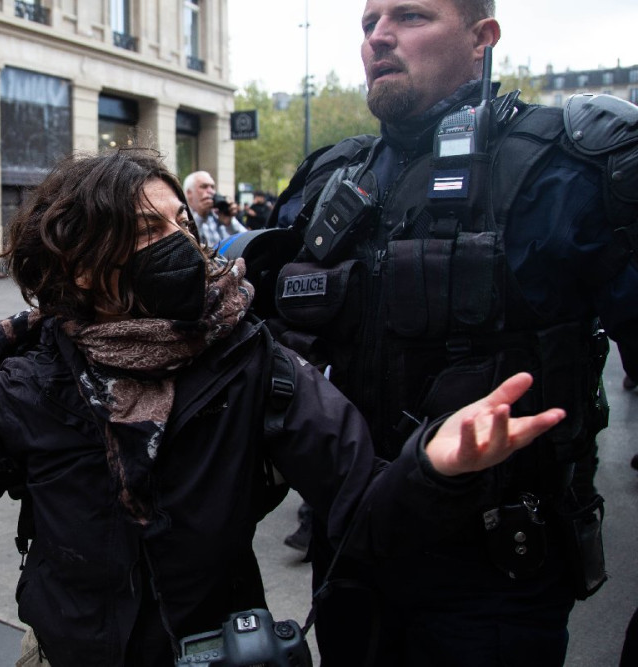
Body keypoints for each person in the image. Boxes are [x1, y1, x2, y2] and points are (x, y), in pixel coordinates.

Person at [0, 149, 565, 667]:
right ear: (80, 258)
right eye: (144, 231)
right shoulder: (28, 381)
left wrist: (435, 470)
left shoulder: (254, 359)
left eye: (179, 223)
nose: (176, 243)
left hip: (217, 651)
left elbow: (364, 505)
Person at [264, 1, 638, 664]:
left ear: (481, 37)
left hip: (496, 577)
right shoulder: (330, 179)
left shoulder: (575, 167)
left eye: (410, 16)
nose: (379, 36)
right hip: (352, 552)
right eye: (368, 22)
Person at [182, 170, 223, 248]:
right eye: (204, 187)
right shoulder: (180, 217)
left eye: (212, 187)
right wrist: (200, 216)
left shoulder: (215, 216)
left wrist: (229, 222)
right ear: (189, 193)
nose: (211, 191)